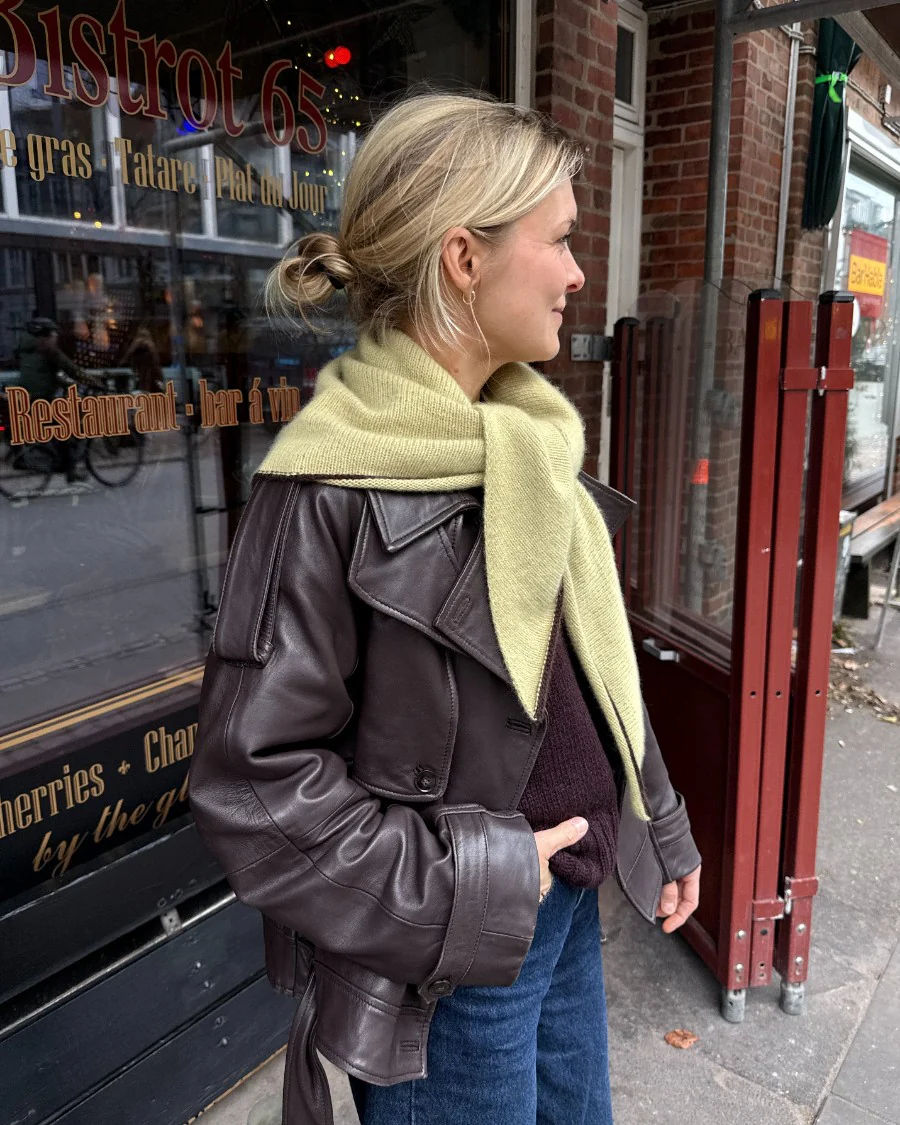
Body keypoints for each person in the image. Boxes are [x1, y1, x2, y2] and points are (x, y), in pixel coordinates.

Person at [188, 91, 701, 1125]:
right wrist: (480, 883)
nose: (578, 274)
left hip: (566, 906)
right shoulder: (325, 486)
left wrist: (662, 822)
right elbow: (254, 786)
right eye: (560, 240)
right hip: (446, 971)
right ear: (465, 258)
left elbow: (581, 674)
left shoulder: (524, 438)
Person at [15, 317, 98, 483]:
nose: (55, 338)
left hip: (24, 398)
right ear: (46, 335)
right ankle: (70, 471)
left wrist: (67, 384)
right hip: (41, 400)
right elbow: (72, 370)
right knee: (67, 429)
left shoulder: (26, 350)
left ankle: (44, 457)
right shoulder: (49, 350)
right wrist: (96, 383)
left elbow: (44, 374)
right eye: (54, 334)